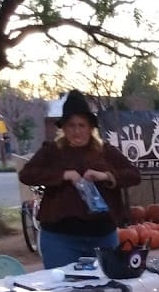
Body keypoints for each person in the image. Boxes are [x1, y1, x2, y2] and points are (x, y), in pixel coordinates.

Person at [19, 89, 141, 269]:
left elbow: (134, 175)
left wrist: (106, 176)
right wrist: (62, 175)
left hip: (102, 236)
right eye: (71, 125)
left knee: (108, 289)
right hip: (60, 239)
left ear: (91, 128)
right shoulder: (52, 151)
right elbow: (27, 174)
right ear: (64, 128)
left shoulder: (106, 152)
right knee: (64, 291)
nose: (77, 131)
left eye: (81, 125)